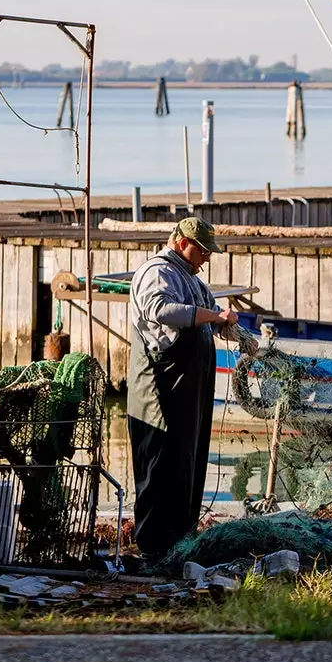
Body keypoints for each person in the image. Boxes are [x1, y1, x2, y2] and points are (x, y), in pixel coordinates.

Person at [126, 216, 239, 568]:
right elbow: (160, 310)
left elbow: (212, 320)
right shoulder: (156, 271)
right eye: (202, 250)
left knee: (186, 462)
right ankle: (152, 546)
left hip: (190, 391)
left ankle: (180, 539)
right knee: (158, 465)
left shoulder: (194, 281)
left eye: (209, 252)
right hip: (159, 389)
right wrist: (209, 315)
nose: (206, 258)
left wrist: (232, 329)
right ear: (180, 242)